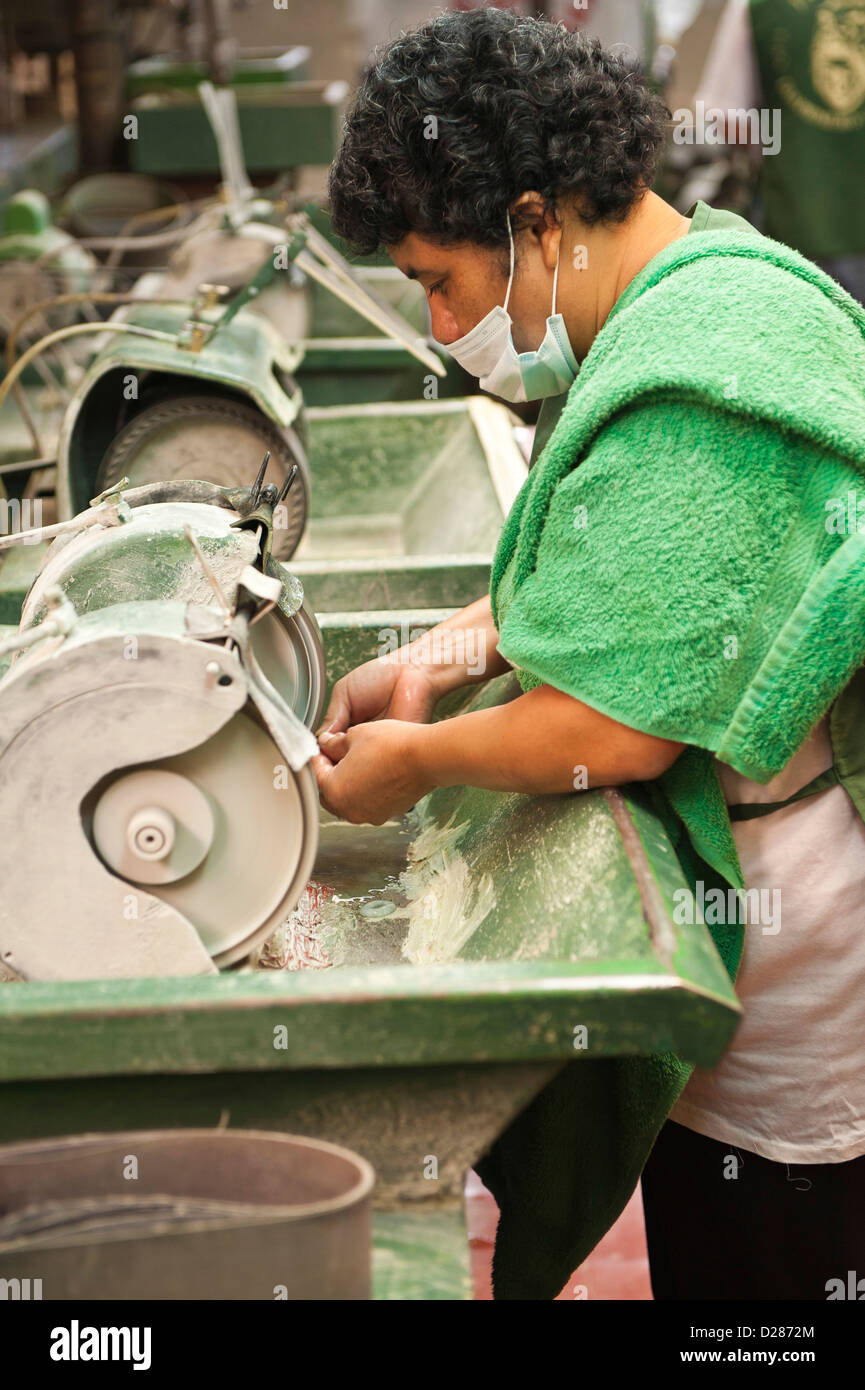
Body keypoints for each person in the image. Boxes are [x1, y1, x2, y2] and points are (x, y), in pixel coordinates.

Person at [319, 7, 865, 1300]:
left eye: (437, 282)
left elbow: (613, 721)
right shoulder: (712, 279)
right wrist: (447, 653)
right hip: (753, 932)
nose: (443, 325)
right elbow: (633, 579)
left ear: (533, 223)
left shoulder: (696, 379)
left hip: (795, 978)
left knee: (763, 1285)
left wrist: (416, 761)